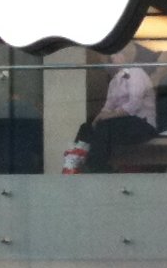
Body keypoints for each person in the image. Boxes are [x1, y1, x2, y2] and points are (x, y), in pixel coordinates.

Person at [67, 43, 157, 173]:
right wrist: (97, 119)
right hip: (121, 124)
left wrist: (108, 116)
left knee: (105, 126)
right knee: (86, 127)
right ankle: (74, 160)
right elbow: (108, 106)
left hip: (142, 124)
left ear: (125, 56)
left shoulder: (136, 73)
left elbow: (134, 104)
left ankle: (97, 166)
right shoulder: (115, 79)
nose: (113, 58)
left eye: (116, 54)